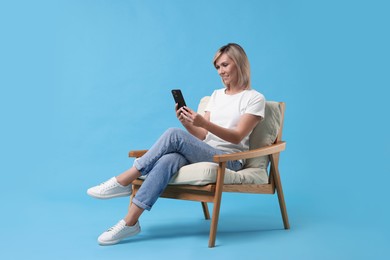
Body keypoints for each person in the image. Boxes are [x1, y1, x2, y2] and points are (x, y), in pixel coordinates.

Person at [87, 43, 266, 245]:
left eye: (224, 65)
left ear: (239, 63)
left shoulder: (254, 98)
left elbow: (236, 136)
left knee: (173, 134)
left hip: (229, 160)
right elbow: (202, 135)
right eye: (217, 67)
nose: (220, 71)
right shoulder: (216, 96)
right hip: (205, 151)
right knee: (169, 159)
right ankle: (130, 223)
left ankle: (125, 180)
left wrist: (203, 123)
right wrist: (187, 123)